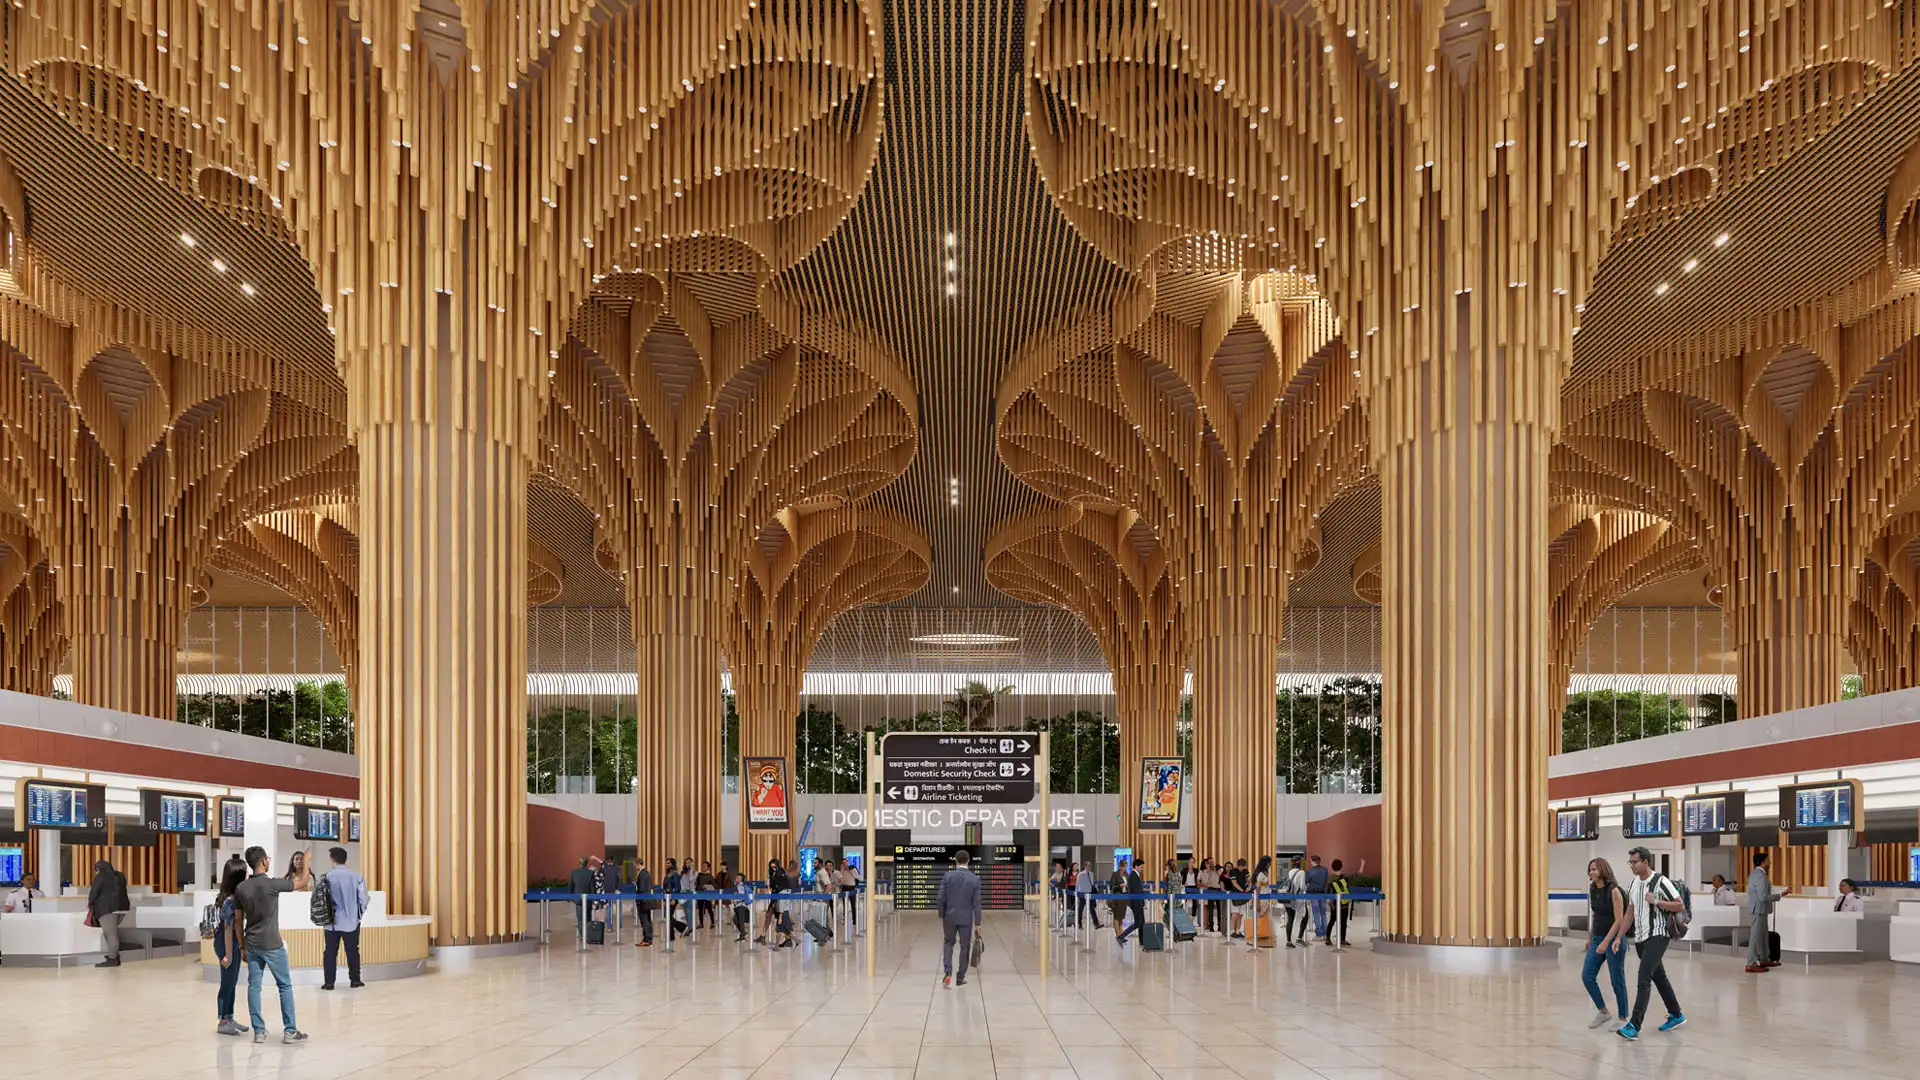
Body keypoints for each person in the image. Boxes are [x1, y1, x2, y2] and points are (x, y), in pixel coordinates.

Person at [236, 845, 307, 1044]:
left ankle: (259, 1031)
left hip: (251, 944)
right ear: (264, 862)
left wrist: (242, 947)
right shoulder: (273, 884)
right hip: (273, 944)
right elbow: (302, 882)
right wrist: (307, 860)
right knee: (284, 986)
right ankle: (290, 1031)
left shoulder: (241, 888)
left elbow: (238, 920)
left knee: (254, 986)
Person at [1619, 845, 1686, 1041]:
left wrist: (1656, 901)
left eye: (1635, 862)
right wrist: (1619, 936)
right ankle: (1676, 1014)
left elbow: (1679, 904)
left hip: (1658, 935)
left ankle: (1634, 1025)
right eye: (1630, 862)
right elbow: (1630, 912)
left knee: (1644, 977)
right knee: (1659, 978)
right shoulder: (1633, 884)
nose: (1631, 865)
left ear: (1646, 862)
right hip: (1641, 937)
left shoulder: (1660, 881)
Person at [1581, 858, 1630, 1031]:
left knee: (1617, 980)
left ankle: (1623, 1017)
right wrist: (1591, 938)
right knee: (1587, 976)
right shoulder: (1593, 889)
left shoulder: (1614, 891)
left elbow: (1619, 920)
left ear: (1603, 870)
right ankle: (1603, 1012)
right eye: (1590, 870)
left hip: (1614, 940)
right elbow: (1596, 917)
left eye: (1594, 869)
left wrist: (1606, 941)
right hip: (1598, 938)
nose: (1591, 872)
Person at [321, 847, 369, 991]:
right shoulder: (356, 876)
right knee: (352, 951)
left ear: (332, 859)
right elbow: (364, 899)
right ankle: (355, 980)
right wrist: (358, 913)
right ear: (345, 859)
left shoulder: (327, 877)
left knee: (330, 952)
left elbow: (321, 899)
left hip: (331, 923)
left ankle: (329, 982)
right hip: (351, 922)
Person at [211, 862, 250, 1036]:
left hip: (230, 942)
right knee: (227, 982)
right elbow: (228, 929)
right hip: (227, 942)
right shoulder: (230, 901)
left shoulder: (233, 897)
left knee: (232, 981)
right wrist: (228, 954)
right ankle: (222, 1020)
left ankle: (229, 1017)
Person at [934, 849, 982, 987]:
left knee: (948, 942)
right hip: (966, 918)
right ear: (968, 861)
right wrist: (978, 924)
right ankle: (960, 978)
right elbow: (977, 904)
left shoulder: (948, 876)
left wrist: (942, 914)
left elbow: (940, 898)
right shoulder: (974, 879)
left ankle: (948, 972)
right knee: (964, 946)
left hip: (949, 916)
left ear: (955, 860)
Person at [1746, 851, 1789, 973]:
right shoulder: (1760, 876)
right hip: (1758, 910)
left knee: (1763, 935)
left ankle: (1764, 958)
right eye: (1768, 860)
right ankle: (1751, 963)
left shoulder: (1755, 874)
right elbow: (1763, 897)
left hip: (1760, 910)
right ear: (1762, 862)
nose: (1770, 862)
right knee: (1755, 937)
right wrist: (1781, 895)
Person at [87, 858, 130, 968]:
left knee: (110, 934)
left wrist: (90, 903)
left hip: (107, 909)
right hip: (122, 908)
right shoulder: (120, 875)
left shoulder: (100, 877)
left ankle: (113, 959)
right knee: (112, 933)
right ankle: (114, 955)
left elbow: (94, 892)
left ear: (98, 869)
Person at [1328, 858, 1364, 948]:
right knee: (1343, 922)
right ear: (1341, 866)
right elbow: (1359, 874)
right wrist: (1362, 864)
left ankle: (1327, 939)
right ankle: (1342, 940)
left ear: (1332, 867)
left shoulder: (1330, 879)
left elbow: (1328, 891)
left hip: (1334, 904)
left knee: (1332, 921)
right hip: (1344, 903)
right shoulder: (1346, 877)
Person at [757, 858, 790, 945]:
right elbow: (772, 886)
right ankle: (763, 936)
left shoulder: (782, 874)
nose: (773, 869)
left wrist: (775, 901)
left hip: (779, 898)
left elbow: (782, 888)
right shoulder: (772, 873)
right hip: (774, 897)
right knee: (768, 916)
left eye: (775, 867)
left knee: (781, 918)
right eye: (771, 867)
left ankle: (788, 938)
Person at [1116, 860, 1149, 945]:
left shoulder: (1135, 875)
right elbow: (1136, 891)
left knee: (1142, 923)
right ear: (1136, 866)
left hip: (1138, 902)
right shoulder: (1133, 876)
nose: (1142, 869)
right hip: (1136, 903)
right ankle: (1121, 936)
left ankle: (1142, 941)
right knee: (1138, 923)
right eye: (1141, 867)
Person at [568, 856, 597, 940]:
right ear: (586, 863)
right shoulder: (590, 873)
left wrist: (569, 897)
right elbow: (593, 887)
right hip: (588, 899)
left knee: (580, 919)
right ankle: (587, 935)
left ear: (579, 863)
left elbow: (570, 886)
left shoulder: (574, 873)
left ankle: (582, 936)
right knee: (588, 918)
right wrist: (595, 898)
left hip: (578, 900)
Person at [1304, 854, 1331, 941]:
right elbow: (1326, 881)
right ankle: (1325, 933)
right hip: (1323, 894)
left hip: (1313, 894)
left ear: (1313, 861)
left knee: (1316, 913)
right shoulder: (1325, 870)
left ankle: (1319, 934)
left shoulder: (1310, 871)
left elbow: (1306, 881)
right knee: (1323, 913)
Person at [1282, 858, 1309, 947]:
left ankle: (1288, 941)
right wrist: (1306, 886)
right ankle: (1299, 938)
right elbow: (1302, 887)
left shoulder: (1290, 872)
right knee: (1305, 916)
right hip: (1297, 898)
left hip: (1288, 898)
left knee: (1290, 919)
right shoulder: (1301, 872)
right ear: (1300, 863)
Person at [632, 857, 656, 947]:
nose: (635, 867)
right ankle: (648, 938)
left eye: (635, 865)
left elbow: (641, 888)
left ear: (638, 864)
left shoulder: (642, 874)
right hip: (647, 900)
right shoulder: (646, 873)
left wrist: (637, 889)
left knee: (644, 920)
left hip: (642, 900)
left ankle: (647, 938)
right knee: (648, 919)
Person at [1075, 857, 1101, 929]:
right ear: (1085, 866)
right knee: (1081, 909)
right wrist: (1077, 893)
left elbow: (1092, 883)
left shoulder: (1092, 874)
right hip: (1082, 893)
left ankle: (1096, 924)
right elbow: (1077, 884)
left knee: (1092, 909)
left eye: (1090, 866)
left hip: (1090, 893)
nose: (1090, 867)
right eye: (1088, 866)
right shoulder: (1080, 874)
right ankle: (1079, 924)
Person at [839, 858, 861, 931]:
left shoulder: (853, 868)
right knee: (844, 905)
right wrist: (842, 870)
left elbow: (858, 877)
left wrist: (850, 871)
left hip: (851, 888)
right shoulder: (842, 870)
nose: (844, 864)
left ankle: (854, 920)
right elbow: (840, 878)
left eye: (845, 863)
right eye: (843, 863)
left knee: (853, 904)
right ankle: (844, 919)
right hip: (844, 887)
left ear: (848, 862)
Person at [697, 861, 716, 929]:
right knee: (700, 909)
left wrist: (707, 886)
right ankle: (701, 923)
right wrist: (700, 887)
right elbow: (696, 884)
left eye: (705, 866)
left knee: (709, 909)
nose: (703, 867)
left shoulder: (710, 876)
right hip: (700, 894)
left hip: (708, 894)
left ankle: (713, 923)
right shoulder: (698, 875)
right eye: (702, 866)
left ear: (708, 867)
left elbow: (714, 885)